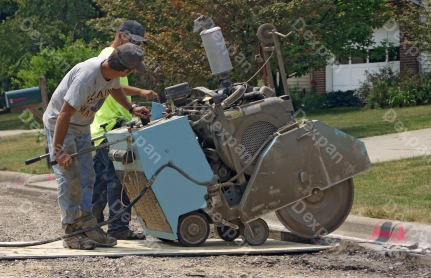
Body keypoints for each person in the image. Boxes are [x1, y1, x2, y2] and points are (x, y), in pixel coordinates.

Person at [43, 43, 150, 250]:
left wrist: (132, 107)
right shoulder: (87, 76)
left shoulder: (112, 73)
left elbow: (115, 89)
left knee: (88, 177)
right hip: (61, 126)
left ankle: (87, 225)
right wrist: (58, 150)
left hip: (82, 127)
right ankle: (71, 232)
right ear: (125, 69)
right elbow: (64, 114)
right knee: (70, 179)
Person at [90, 20, 158, 240]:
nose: (137, 47)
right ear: (121, 35)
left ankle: (92, 227)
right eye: (134, 40)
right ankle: (115, 228)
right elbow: (112, 86)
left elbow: (116, 87)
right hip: (108, 126)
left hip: (108, 127)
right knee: (118, 180)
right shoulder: (109, 56)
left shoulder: (117, 55)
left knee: (102, 182)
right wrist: (140, 91)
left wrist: (132, 110)